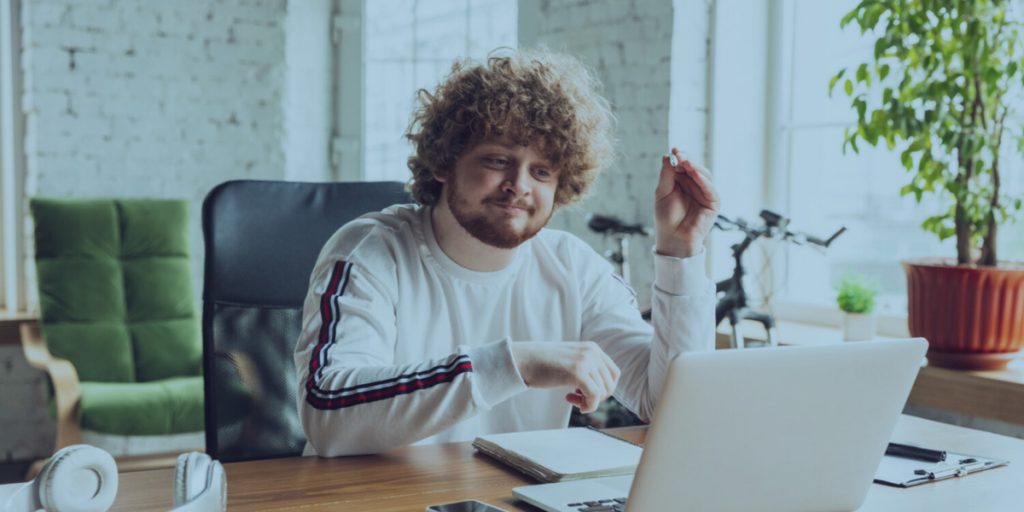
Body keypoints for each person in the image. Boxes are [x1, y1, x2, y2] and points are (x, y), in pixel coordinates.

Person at [294, 48, 721, 457]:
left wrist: (680, 253)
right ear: (444, 162)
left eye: (541, 171)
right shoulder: (368, 251)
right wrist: (517, 363)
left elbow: (672, 406)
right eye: (498, 160)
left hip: (510, 499)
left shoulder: (575, 267)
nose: (519, 185)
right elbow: (327, 416)